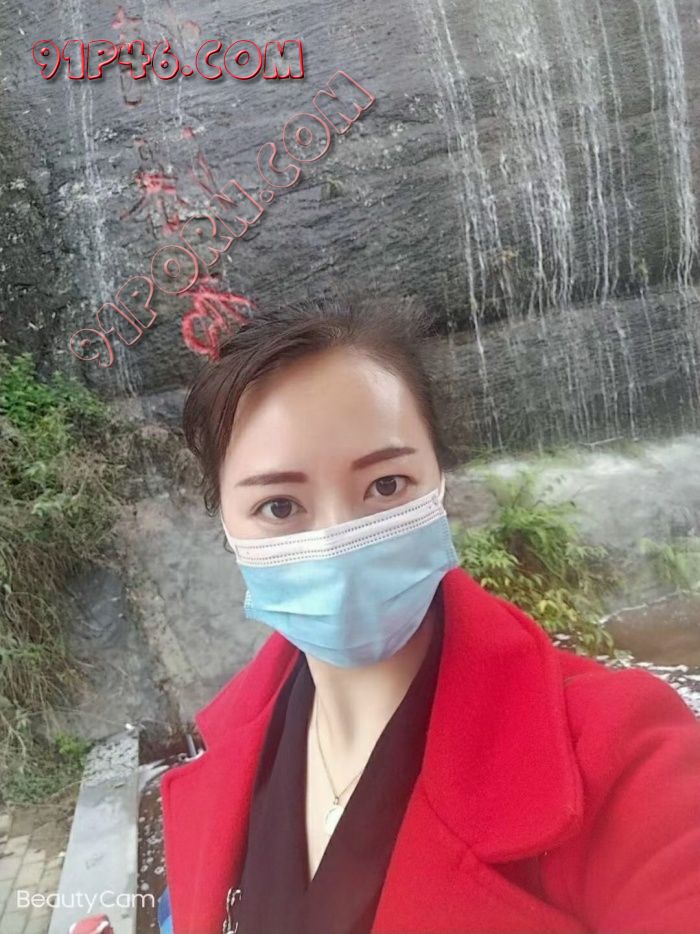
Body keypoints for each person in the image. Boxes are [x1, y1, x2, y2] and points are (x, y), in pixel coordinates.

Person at [156, 296, 700, 934]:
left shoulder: (619, 752)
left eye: (385, 485)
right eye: (279, 506)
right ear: (226, 524)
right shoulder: (231, 749)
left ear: (439, 481)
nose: (337, 543)